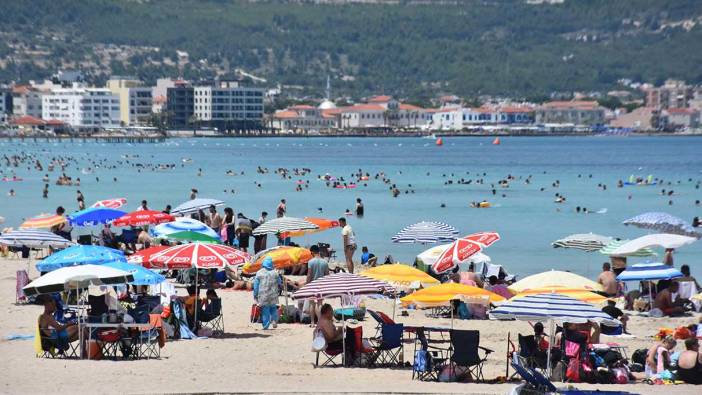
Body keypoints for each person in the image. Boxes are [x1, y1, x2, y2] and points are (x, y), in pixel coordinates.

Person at [253, 257, 282, 330]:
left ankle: (266, 325)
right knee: (273, 308)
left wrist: (255, 294)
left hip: (263, 295)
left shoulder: (259, 272)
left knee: (265, 310)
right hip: (273, 293)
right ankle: (274, 320)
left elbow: (256, 285)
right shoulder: (275, 272)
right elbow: (279, 282)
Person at [306, 245, 329, 325]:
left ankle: (312, 322)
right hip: (321, 284)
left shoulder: (310, 262)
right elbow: (327, 275)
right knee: (319, 303)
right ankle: (319, 322)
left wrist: (307, 285)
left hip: (312, 284)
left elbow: (309, 275)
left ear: (312, 252)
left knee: (312, 303)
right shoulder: (325, 262)